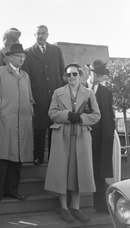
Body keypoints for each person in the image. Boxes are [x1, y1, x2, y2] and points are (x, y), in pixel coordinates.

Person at [44, 62, 100, 224]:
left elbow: (96, 115)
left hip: (81, 136)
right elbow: (52, 113)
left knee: (78, 171)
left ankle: (76, 207)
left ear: (80, 75)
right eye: (68, 75)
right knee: (61, 170)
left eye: (74, 74)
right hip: (62, 136)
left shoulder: (89, 93)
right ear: (65, 76)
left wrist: (81, 118)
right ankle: (64, 208)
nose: (71, 77)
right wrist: (68, 115)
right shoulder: (58, 93)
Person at [0, 43, 34, 202]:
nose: (22, 59)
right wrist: (0, 108)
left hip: (23, 121)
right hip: (5, 119)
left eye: (23, 56)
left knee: (18, 157)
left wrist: (29, 110)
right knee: (3, 156)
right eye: (18, 56)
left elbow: (29, 97)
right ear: (9, 57)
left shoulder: (25, 75)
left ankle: (12, 190)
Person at [22, 25, 65, 165]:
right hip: (38, 96)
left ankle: (54, 156)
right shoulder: (28, 53)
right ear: (34, 35)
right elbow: (26, 77)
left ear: (48, 35)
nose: (40, 36)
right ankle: (38, 157)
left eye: (43, 33)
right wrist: (30, 96)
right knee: (39, 127)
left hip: (55, 94)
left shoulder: (56, 51)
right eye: (37, 34)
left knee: (55, 125)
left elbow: (61, 72)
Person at [85, 59, 115, 214]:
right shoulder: (78, 88)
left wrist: (109, 132)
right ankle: (71, 205)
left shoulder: (106, 93)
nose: (99, 78)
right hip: (82, 136)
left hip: (102, 138)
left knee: (100, 172)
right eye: (97, 74)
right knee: (78, 168)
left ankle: (101, 206)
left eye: (101, 75)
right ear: (90, 73)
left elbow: (110, 115)